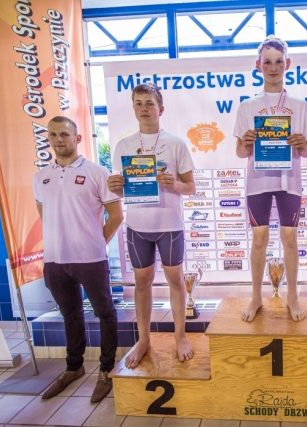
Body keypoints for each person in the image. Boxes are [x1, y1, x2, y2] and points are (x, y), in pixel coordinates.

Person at [34, 116, 123, 403]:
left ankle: (106, 370)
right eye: (53, 135)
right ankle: (74, 367)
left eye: (64, 134)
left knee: (105, 313)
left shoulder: (97, 172)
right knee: (70, 315)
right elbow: (44, 213)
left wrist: (96, 242)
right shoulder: (41, 176)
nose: (58, 139)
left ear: (77, 138)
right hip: (55, 260)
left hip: (90, 259)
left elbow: (116, 216)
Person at [108, 83, 196, 368]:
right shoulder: (123, 146)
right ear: (133, 108)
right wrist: (115, 186)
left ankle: (180, 336)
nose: (144, 108)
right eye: (139, 103)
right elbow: (121, 191)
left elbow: (191, 187)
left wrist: (175, 184)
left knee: (175, 281)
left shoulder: (176, 143)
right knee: (142, 283)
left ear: (161, 108)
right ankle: (144, 339)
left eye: (149, 103)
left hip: (169, 225)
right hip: (138, 227)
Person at [234, 35, 307, 322]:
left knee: (289, 237)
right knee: (259, 238)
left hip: (288, 180)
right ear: (258, 65)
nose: (273, 67)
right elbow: (240, 152)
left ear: (287, 64)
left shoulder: (300, 106)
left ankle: (292, 296)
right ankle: (256, 296)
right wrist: (246, 142)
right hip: (258, 181)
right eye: (267, 62)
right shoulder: (247, 106)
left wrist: (301, 143)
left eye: (278, 62)